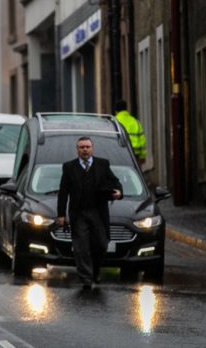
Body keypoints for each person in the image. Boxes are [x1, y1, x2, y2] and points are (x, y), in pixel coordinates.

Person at [57, 136, 123, 289]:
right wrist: (61, 215)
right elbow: (63, 192)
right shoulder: (69, 167)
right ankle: (86, 278)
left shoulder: (103, 164)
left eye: (87, 147)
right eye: (81, 147)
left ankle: (95, 270)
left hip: (98, 212)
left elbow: (114, 181)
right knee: (81, 247)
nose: (85, 150)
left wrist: (119, 191)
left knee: (101, 244)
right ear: (77, 150)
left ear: (92, 148)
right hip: (79, 213)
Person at [114, 99, 147, 165]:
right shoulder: (135, 122)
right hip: (134, 156)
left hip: (118, 155)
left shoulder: (113, 122)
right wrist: (142, 156)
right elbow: (142, 141)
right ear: (126, 109)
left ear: (116, 111)